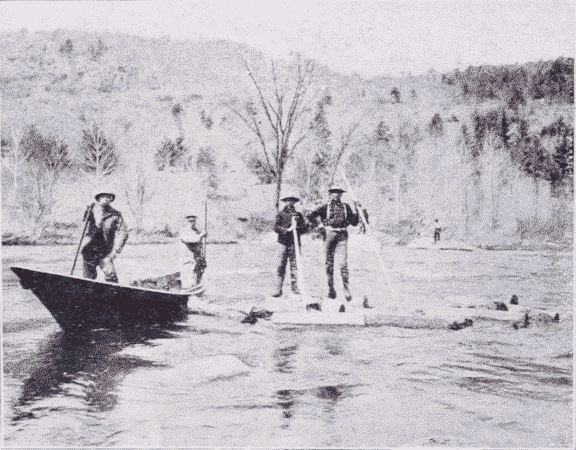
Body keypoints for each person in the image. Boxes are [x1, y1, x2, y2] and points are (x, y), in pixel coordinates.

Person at [308, 186, 360, 301]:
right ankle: (331, 289)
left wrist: (357, 211)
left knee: (343, 264)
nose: (337, 195)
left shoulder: (346, 207)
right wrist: (320, 226)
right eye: (334, 193)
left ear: (341, 194)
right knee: (329, 264)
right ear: (330, 194)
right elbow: (310, 215)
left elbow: (354, 223)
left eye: (339, 193)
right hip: (329, 235)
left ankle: (346, 289)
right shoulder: (325, 206)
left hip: (342, 235)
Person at [81, 189, 129, 283]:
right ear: (98, 198)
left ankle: (114, 296)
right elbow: (84, 227)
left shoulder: (116, 214)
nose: (106, 198)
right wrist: (87, 212)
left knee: (111, 278)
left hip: (105, 251)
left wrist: (114, 252)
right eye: (103, 196)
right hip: (89, 250)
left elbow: (123, 233)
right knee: (87, 280)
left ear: (111, 199)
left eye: (108, 196)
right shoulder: (91, 211)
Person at [271, 191, 307, 297]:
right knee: (281, 265)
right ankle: (278, 289)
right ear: (285, 202)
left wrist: (300, 226)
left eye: (291, 200)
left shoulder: (298, 215)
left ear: (294, 202)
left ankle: (295, 289)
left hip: (294, 244)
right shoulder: (280, 214)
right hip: (283, 242)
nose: (289, 202)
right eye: (287, 200)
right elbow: (276, 227)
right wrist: (287, 230)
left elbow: (304, 229)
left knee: (294, 265)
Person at [180, 213, 207, 289]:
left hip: (196, 261)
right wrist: (201, 235)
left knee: (197, 281)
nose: (191, 223)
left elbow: (199, 243)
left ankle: (196, 291)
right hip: (187, 262)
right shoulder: (184, 231)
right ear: (186, 221)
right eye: (189, 221)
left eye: (193, 221)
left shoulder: (196, 231)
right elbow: (192, 240)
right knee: (188, 284)